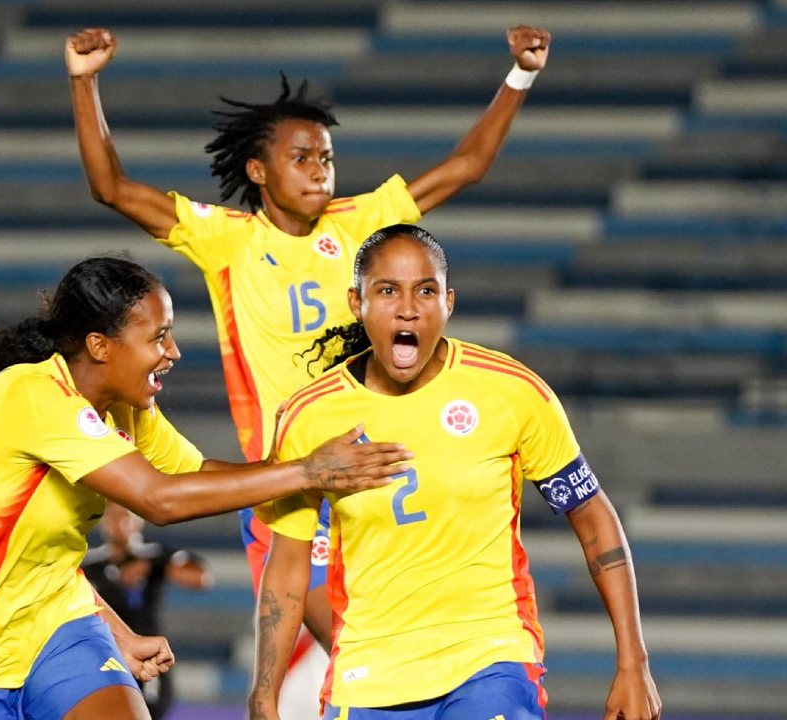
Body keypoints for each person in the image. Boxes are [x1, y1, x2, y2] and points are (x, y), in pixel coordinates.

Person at [67, 27, 553, 704]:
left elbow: (465, 166)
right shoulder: (225, 239)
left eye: (325, 155)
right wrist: (85, 81)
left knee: (394, 659)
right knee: (359, 653)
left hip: (370, 472)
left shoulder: (362, 221)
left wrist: (519, 76)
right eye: (301, 157)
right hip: (289, 485)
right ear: (260, 171)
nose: (320, 169)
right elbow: (111, 186)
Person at [0, 255, 414, 720]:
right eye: (158, 336)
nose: (174, 352)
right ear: (100, 346)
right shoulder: (31, 395)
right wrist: (309, 471)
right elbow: (158, 500)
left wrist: (306, 462)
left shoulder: (125, 407)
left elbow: (200, 475)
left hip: (57, 623)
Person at [249, 225, 662, 720]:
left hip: (490, 657)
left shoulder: (511, 392)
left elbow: (591, 514)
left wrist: (633, 662)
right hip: (370, 673)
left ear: (448, 302)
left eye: (425, 290)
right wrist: (264, 694)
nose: (408, 308)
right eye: (387, 291)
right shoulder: (309, 416)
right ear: (356, 303)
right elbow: (289, 565)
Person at [84, 502, 213, 719]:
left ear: (138, 521)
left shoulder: (154, 556)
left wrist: (156, 568)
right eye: (111, 517)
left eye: (125, 517)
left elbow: (200, 578)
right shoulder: (89, 564)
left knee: (149, 711)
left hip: (146, 655)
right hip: (105, 655)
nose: (117, 524)